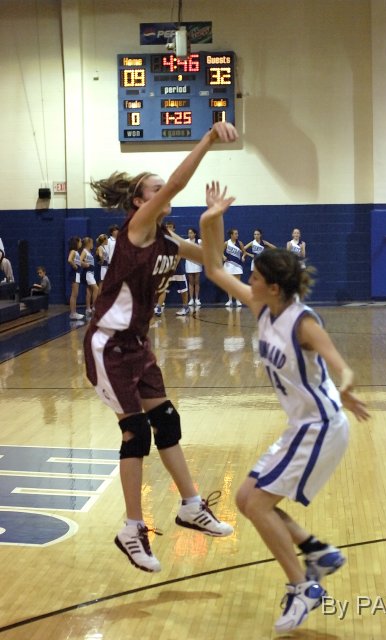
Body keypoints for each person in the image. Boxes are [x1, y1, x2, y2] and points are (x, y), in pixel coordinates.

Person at [200, 182, 370, 633]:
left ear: (273, 287)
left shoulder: (303, 322)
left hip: (321, 426)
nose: (249, 282)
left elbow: (338, 363)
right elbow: (214, 267)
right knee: (245, 499)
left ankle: (303, 587)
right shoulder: (263, 307)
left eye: (255, 278)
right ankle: (316, 551)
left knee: (256, 505)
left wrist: (346, 385)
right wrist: (211, 218)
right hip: (301, 426)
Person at [84, 122, 238, 574]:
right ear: (140, 201)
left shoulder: (169, 242)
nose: (163, 191)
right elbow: (175, 183)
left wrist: (214, 217)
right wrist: (207, 138)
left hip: (137, 345)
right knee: (136, 431)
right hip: (108, 346)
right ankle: (132, 528)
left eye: (159, 188)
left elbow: (212, 261)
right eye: (153, 189)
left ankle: (191, 506)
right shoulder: (136, 229)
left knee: (166, 420)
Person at [154, 222, 190, 317]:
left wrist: (173, 267)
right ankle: (159, 307)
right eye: (167, 227)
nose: (168, 228)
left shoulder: (177, 240)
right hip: (166, 269)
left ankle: (186, 307)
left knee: (183, 289)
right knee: (163, 288)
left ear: (174, 229)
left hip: (177, 269)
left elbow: (179, 255)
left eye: (170, 227)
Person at [223, 228, 247, 307]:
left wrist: (243, 257)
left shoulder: (239, 243)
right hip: (229, 265)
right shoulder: (226, 243)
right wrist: (223, 256)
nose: (237, 235)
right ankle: (230, 300)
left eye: (237, 233)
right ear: (231, 235)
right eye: (235, 233)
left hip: (238, 265)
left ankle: (237, 300)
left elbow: (244, 252)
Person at [80, 236, 98, 317]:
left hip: (91, 272)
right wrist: (84, 264)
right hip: (88, 273)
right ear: (88, 243)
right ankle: (94, 307)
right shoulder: (84, 251)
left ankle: (88, 309)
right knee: (96, 289)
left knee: (89, 291)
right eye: (92, 243)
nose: (92, 245)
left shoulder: (88, 252)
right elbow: (79, 261)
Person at [67, 236, 84, 320]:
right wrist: (74, 266)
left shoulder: (77, 252)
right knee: (74, 294)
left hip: (77, 274)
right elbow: (69, 260)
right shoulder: (73, 251)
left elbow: (79, 262)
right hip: (74, 274)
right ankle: (73, 313)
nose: (81, 243)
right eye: (80, 242)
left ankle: (74, 312)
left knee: (75, 294)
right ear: (76, 243)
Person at [185, 227, 202, 306]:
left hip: (197, 263)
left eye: (191, 233)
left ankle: (197, 299)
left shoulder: (199, 241)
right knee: (191, 282)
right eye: (189, 233)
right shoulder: (186, 241)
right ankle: (191, 299)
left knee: (197, 281)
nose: (190, 234)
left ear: (195, 234)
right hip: (189, 263)